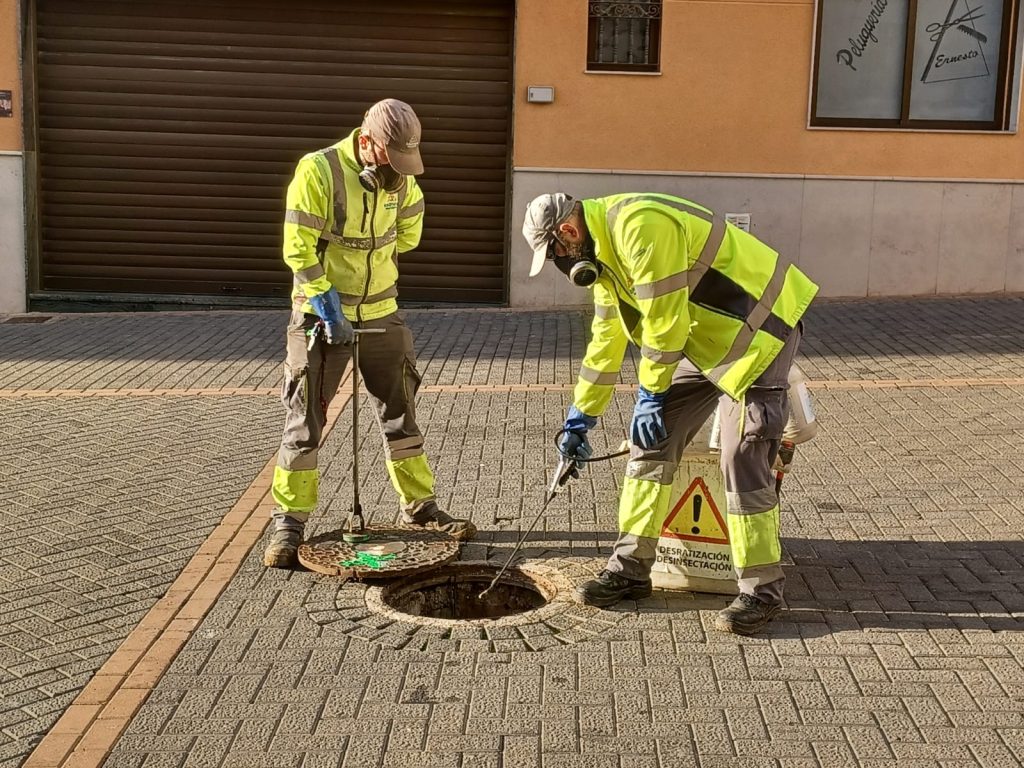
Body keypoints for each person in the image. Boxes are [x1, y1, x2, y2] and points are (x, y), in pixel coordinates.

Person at [522, 192, 819, 634]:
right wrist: (580, 418)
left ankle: (761, 592)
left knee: (742, 456)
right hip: (701, 343)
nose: (561, 264)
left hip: (758, 334)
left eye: (556, 254)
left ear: (568, 231)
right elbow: (605, 343)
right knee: (650, 443)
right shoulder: (604, 258)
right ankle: (630, 569)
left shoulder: (639, 225)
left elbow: (664, 323)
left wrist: (650, 394)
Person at [264, 99, 476, 569]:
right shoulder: (318, 171)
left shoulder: (403, 179)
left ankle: (420, 509)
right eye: (389, 159)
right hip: (322, 316)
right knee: (305, 423)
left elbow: (409, 237)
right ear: (366, 142)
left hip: (382, 311)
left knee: (401, 413)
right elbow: (297, 247)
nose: (398, 172)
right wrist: (324, 301)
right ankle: (289, 523)